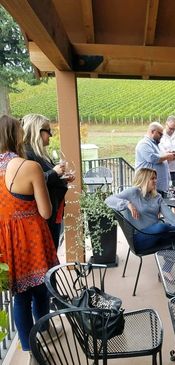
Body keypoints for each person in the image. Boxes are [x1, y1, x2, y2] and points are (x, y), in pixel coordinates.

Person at [0, 115, 59, 361]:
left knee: (19, 296)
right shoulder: (29, 167)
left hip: (6, 240)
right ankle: (43, 333)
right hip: (31, 238)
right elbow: (46, 211)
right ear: (18, 136)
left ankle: (29, 350)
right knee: (40, 289)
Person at [22, 114, 75, 250]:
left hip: (53, 213)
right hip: (44, 217)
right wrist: (54, 173)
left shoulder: (39, 154)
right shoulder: (27, 155)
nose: (51, 135)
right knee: (49, 255)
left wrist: (61, 177)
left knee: (52, 253)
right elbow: (32, 182)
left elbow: (46, 178)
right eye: (48, 130)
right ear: (37, 131)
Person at [105, 167, 175, 251]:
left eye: (155, 178)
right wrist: (128, 204)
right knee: (164, 228)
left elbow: (169, 215)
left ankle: (170, 260)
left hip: (156, 234)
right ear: (144, 180)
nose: (155, 181)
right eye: (152, 178)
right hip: (139, 237)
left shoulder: (157, 197)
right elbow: (108, 200)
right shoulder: (132, 192)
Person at [135, 122, 175, 196]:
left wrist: (167, 154)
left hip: (158, 188)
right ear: (153, 131)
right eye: (160, 134)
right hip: (148, 187)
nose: (162, 136)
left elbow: (160, 156)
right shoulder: (144, 143)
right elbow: (152, 158)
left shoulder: (156, 144)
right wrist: (167, 156)